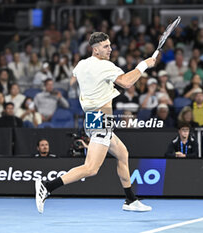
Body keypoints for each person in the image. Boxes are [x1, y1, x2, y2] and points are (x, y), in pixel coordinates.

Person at [35, 32, 155, 213]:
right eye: (106, 46)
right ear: (96, 49)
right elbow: (127, 82)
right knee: (91, 168)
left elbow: (75, 77)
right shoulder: (105, 66)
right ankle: (47, 186)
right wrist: (144, 64)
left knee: (123, 154)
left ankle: (130, 200)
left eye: (110, 45)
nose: (110, 49)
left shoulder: (81, 65)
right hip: (101, 119)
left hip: (92, 118)